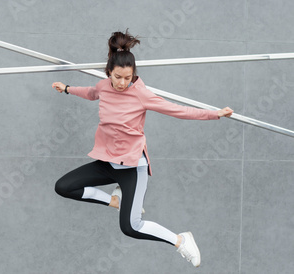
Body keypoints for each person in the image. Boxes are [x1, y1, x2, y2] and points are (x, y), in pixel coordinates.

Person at [51, 29, 233, 267]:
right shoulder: (103, 86)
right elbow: (89, 93)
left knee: (130, 226)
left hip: (132, 168)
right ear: (109, 73)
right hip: (106, 162)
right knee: (63, 187)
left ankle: (180, 240)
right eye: (118, 77)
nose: (122, 83)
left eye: (128, 78)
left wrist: (214, 114)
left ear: (133, 74)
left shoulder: (141, 94)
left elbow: (179, 110)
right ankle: (113, 201)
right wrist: (66, 88)